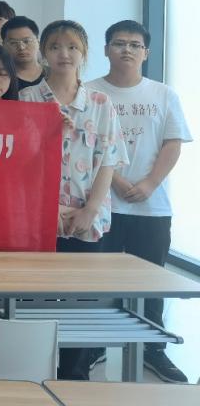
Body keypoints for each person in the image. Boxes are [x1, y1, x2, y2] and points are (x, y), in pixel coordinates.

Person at [19, 20, 126, 380]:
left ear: (84, 53)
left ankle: (74, 376)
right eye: (54, 47)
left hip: (86, 218)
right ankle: (31, 371)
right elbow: (18, 160)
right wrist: (46, 210)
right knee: (35, 296)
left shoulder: (100, 102)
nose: (63, 54)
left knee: (82, 299)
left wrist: (90, 209)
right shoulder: (26, 99)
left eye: (72, 47)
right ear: (43, 52)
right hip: (37, 218)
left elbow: (109, 158)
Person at [86, 21, 192, 383]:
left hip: (151, 206)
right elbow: (88, 144)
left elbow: (173, 143)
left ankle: (152, 350)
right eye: (119, 43)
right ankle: (93, 346)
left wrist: (149, 183)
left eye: (135, 45)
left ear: (145, 52)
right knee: (96, 279)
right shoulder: (90, 92)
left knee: (151, 280)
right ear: (106, 50)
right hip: (102, 205)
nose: (127, 50)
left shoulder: (163, 94)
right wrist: (115, 180)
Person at [2, 15, 45, 90]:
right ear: (4, 46)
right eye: (13, 42)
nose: (21, 47)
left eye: (26, 41)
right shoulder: (0, 79)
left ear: (38, 43)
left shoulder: (54, 74)